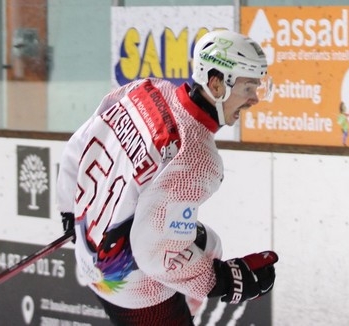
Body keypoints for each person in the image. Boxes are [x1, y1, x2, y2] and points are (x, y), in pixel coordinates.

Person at [56, 29, 278, 326]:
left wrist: (70, 213)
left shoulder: (144, 89)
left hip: (89, 253)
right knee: (197, 250)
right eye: (248, 87)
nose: (254, 99)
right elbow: (155, 253)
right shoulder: (196, 157)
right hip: (133, 291)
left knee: (207, 242)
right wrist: (226, 281)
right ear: (215, 83)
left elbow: (80, 146)